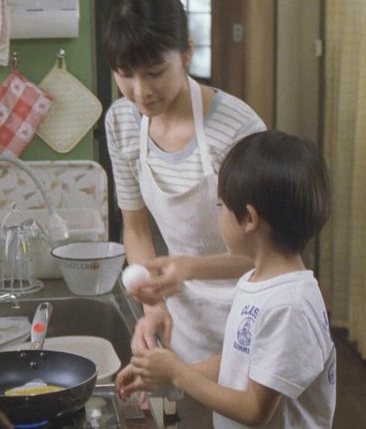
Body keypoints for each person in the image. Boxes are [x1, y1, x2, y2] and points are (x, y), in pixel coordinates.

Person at [101, 0, 266, 425]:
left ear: (187, 53)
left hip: (250, 318)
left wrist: (188, 268)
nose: (141, 92)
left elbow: (269, 254)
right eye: (125, 74)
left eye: (155, 72)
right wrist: (153, 305)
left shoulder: (236, 129)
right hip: (185, 323)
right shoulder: (121, 122)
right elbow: (135, 227)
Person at [116, 131, 337, 428]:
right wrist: (161, 375)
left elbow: (254, 411)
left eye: (220, 206)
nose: (218, 214)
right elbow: (239, 360)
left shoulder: (288, 307)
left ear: (249, 219)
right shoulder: (256, 280)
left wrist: (178, 374)